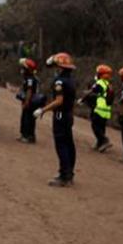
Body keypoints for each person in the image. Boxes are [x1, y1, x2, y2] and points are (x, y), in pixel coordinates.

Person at [33, 53, 77, 187]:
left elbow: (59, 101)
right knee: (69, 144)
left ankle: (64, 176)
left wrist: (43, 110)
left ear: (59, 67)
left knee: (62, 145)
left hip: (60, 115)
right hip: (68, 114)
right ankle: (69, 173)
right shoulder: (71, 80)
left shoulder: (60, 82)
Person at [80, 64, 114, 152]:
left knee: (95, 126)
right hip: (106, 110)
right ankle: (99, 143)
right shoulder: (108, 84)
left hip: (99, 108)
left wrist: (82, 99)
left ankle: (104, 140)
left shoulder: (99, 83)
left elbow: (90, 92)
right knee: (101, 126)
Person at [17, 58, 39, 144]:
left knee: (28, 119)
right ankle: (25, 135)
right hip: (30, 101)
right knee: (26, 118)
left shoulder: (30, 79)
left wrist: (26, 102)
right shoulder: (29, 78)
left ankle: (28, 136)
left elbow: (29, 91)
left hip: (30, 102)